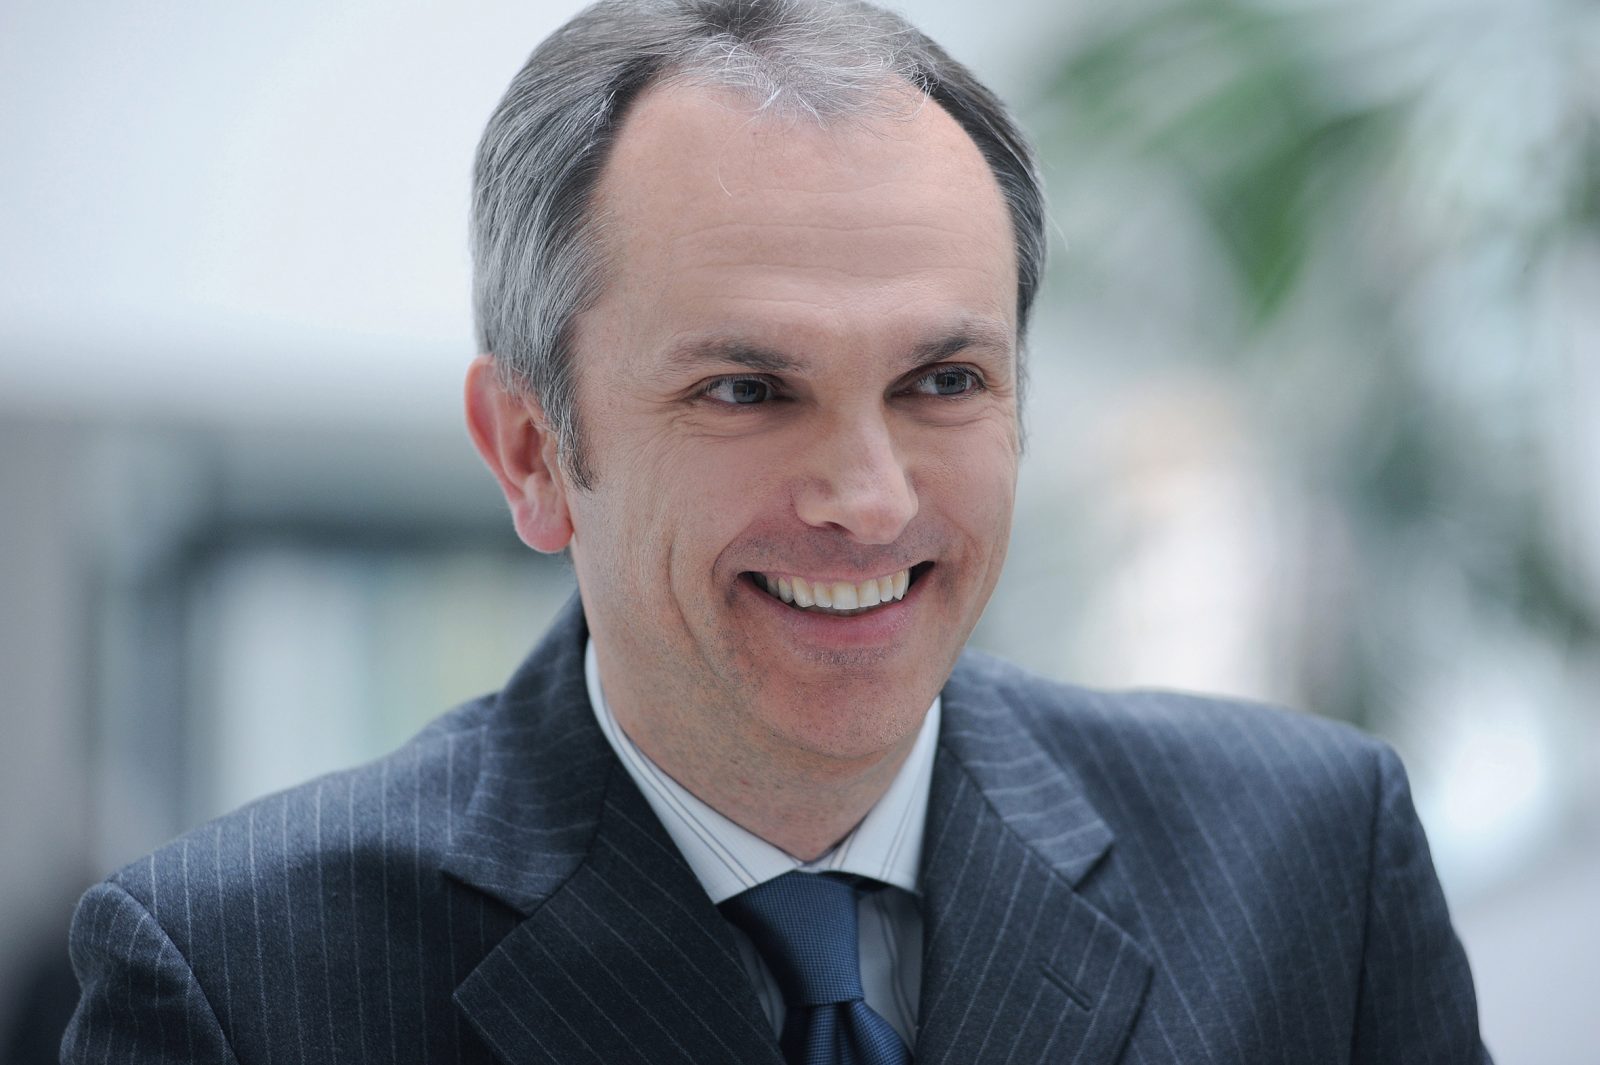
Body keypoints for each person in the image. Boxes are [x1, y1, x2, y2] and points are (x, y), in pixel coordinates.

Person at [62, 1, 1490, 1062]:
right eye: (748, 391)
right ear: (532, 451)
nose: (870, 499)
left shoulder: (1308, 866)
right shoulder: (237, 982)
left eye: (944, 381)